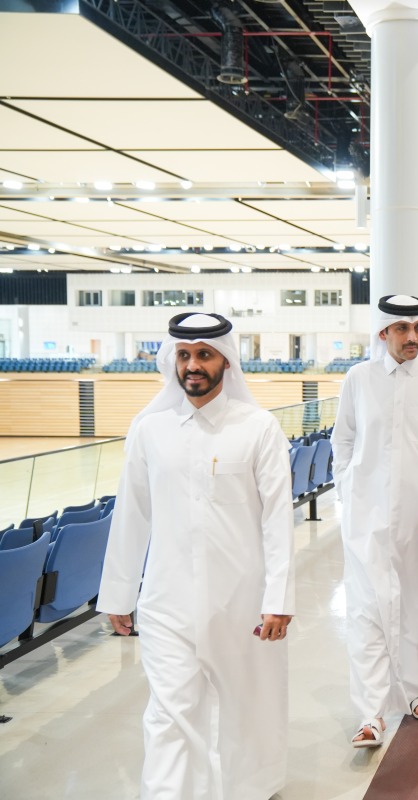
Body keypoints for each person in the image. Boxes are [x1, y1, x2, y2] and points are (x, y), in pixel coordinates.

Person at [98, 312, 295, 799]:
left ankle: (251, 788)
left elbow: (277, 520)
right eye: (184, 355)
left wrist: (279, 598)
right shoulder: (150, 430)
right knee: (169, 714)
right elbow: (132, 515)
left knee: (249, 707)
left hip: (242, 601)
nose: (192, 365)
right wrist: (118, 593)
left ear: (225, 361)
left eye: (204, 355)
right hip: (167, 603)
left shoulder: (259, 428)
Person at [332, 295, 418, 748]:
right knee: (366, 610)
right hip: (366, 519)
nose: (413, 336)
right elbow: (343, 441)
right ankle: (370, 712)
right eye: (402, 328)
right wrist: (348, 492)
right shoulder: (358, 379)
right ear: (383, 333)